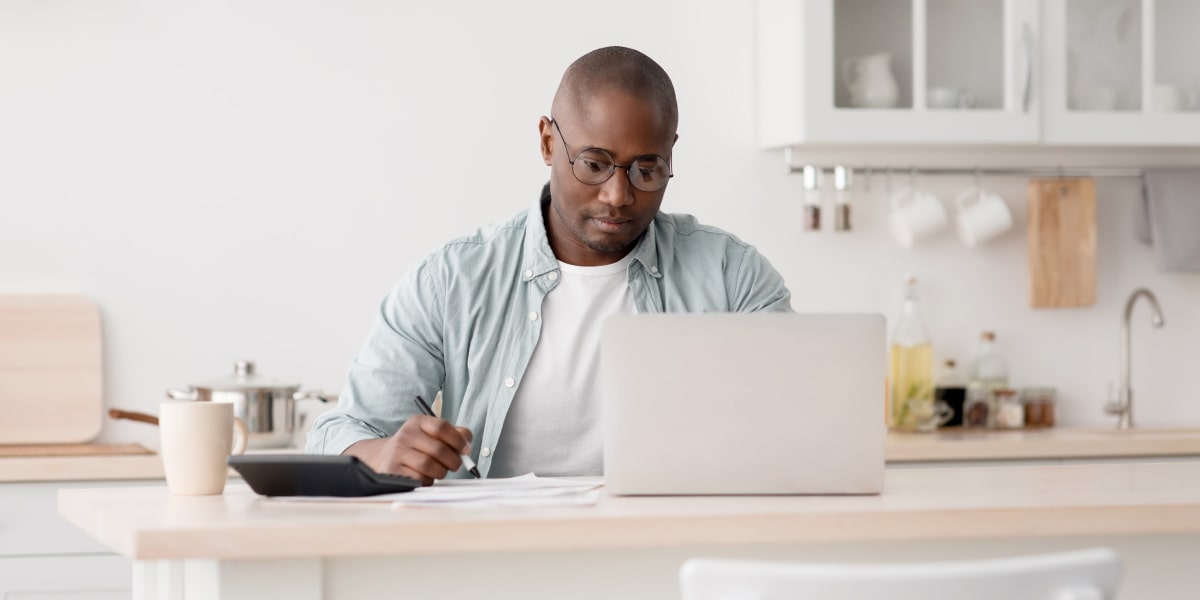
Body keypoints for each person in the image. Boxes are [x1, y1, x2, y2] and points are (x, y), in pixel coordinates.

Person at [306, 46, 792, 484]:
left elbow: (802, 420)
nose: (618, 195)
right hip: (497, 556)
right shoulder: (453, 280)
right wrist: (383, 452)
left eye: (647, 169)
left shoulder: (733, 276)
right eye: (594, 163)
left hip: (665, 548)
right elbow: (337, 432)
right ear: (546, 142)